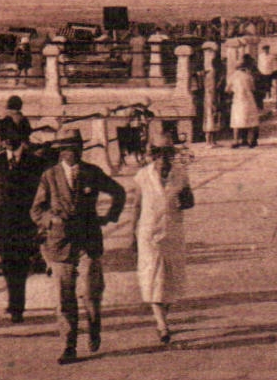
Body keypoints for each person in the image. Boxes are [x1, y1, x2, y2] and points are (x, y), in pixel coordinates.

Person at [31, 128, 126, 365]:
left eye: (74, 148)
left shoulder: (92, 172)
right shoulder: (49, 176)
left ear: (81, 149)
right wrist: (50, 220)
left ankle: (94, 326)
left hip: (88, 241)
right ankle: (69, 345)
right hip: (60, 244)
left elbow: (118, 192)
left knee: (91, 292)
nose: (70, 153)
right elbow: (36, 210)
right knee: (64, 297)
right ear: (59, 152)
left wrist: (109, 217)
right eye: (65, 148)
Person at [130, 122, 192, 346]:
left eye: (168, 155)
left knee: (171, 282)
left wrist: (182, 200)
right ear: (153, 156)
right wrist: (132, 235)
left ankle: (162, 319)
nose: (164, 160)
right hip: (148, 233)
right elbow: (137, 206)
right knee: (153, 278)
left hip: (172, 231)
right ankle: (162, 325)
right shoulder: (142, 177)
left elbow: (190, 201)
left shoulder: (180, 175)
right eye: (159, 155)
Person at [0, 131, 47, 323]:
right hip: (2, 221)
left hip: (23, 221)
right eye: (4, 138)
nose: (6, 141)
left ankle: (17, 306)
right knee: (7, 264)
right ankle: (14, 301)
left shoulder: (33, 162)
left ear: (20, 140)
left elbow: (38, 191)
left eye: (10, 137)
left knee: (20, 263)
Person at [228, 55, 261, 148]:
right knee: (250, 120)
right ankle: (251, 141)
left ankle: (236, 141)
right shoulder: (249, 76)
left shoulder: (233, 76)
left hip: (238, 99)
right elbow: (253, 88)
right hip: (248, 99)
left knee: (236, 120)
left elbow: (227, 89)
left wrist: (234, 90)